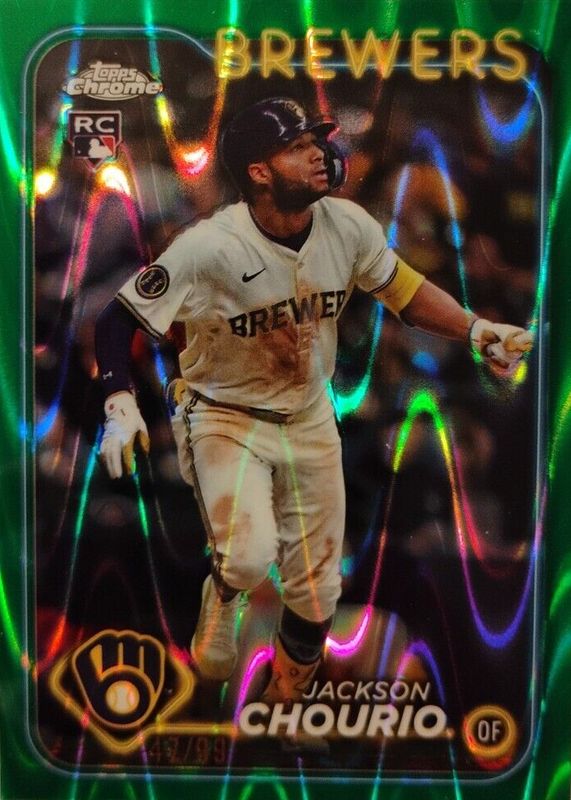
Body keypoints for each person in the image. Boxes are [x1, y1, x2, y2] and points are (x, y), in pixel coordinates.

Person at [94, 97, 532, 705]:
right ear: (259, 171)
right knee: (248, 559)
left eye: (316, 142)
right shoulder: (209, 247)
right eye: (299, 147)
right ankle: (224, 593)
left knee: (318, 594)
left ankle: (288, 701)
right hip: (225, 414)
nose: (320, 154)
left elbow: (405, 292)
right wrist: (119, 404)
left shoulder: (346, 225)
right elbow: (115, 321)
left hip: (308, 414)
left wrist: (476, 329)